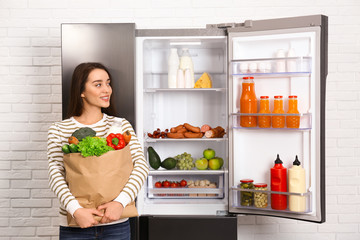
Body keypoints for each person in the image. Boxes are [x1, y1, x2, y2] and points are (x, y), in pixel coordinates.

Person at [47, 62, 149, 239]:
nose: (107, 90)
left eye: (108, 83)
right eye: (98, 84)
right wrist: (76, 210)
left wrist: (120, 203)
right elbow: (55, 173)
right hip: (75, 224)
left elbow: (140, 166)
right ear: (82, 91)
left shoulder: (120, 125)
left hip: (116, 224)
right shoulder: (59, 129)